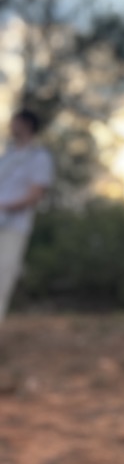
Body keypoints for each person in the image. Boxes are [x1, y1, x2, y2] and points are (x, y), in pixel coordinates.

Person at [0, 109, 54, 321]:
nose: (10, 125)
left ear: (26, 124)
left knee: (3, 275)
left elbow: (35, 195)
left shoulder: (39, 157)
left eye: (15, 121)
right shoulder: (8, 155)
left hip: (14, 227)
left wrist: (3, 206)